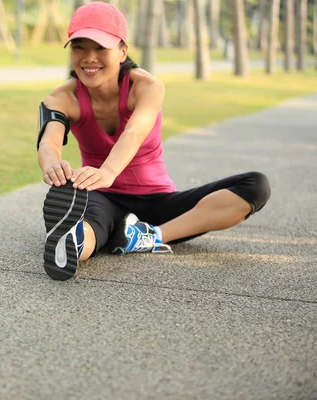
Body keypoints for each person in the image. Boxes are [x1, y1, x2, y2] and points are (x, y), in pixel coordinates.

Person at [38, 2, 271, 281]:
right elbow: (48, 142)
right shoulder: (61, 98)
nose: (89, 57)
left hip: (158, 201)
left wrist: (108, 172)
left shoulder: (147, 87)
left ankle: (146, 236)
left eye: (101, 48)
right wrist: (52, 165)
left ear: (123, 51)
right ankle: (72, 244)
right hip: (102, 196)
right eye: (79, 47)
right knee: (92, 222)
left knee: (255, 185)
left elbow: (135, 132)